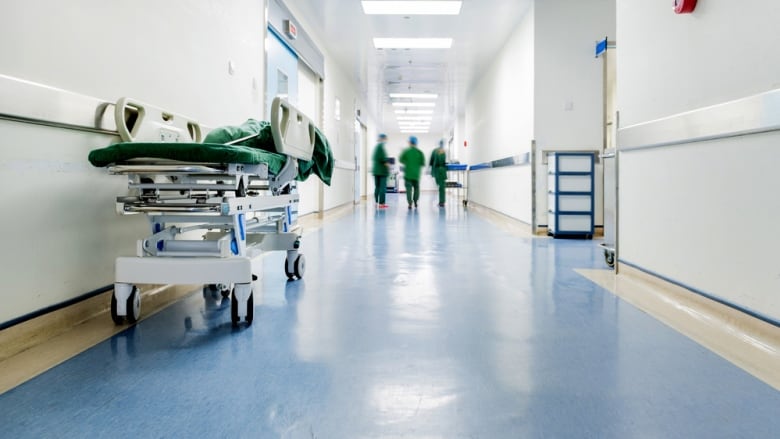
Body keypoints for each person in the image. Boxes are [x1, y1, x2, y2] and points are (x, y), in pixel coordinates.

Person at [399, 136, 426, 209]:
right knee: (416, 188)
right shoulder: (420, 153)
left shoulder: (406, 151)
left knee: (409, 189)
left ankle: (410, 203)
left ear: (410, 142)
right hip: (416, 175)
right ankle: (416, 202)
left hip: (408, 174)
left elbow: (401, 160)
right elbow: (423, 163)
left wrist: (407, 162)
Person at [371, 133, 389, 209]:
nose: (386, 140)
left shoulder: (376, 147)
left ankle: (376, 202)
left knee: (377, 187)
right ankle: (381, 203)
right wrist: (388, 165)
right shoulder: (381, 147)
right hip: (382, 171)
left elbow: (374, 158)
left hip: (376, 171)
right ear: (383, 138)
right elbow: (383, 159)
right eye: (385, 139)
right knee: (382, 187)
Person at [429, 139, 448, 207]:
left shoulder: (435, 151)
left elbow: (431, 161)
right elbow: (445, 162)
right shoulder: (444, 152)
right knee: (442, 187)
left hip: (436, 171)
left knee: (437, 186)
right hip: (442, 171)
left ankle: (436, 201)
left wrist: (430, 167)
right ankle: (442, 202)